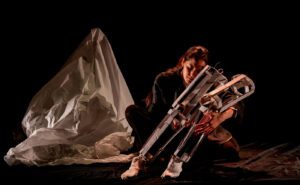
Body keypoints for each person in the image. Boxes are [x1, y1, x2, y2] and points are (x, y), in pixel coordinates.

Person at [122, 45, 243, 179]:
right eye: (189, 68)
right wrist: (173, 118)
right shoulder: (164, 80)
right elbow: (155, 113)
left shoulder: (213, 82)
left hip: (196, 131)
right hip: (169, 130)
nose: (192, 75)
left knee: (231, 152)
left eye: (199, 71)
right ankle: (145, 158)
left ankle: (175, 156)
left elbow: (235, 103)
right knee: (132, 111)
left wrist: (218, 118)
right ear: (182, 62)